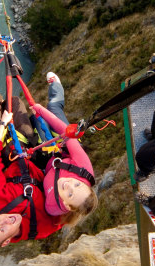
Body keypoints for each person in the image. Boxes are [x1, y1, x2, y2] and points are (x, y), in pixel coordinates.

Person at [0, 79, 62, 249]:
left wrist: (3, 124)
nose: (5, 220)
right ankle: (0, 103)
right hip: (34, 156)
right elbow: (68, 204)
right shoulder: (43, 227)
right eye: (2, 229)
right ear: (6, 242)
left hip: (9, 158)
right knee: (15, 103)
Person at [31, 72, 98, 227]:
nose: (69, 185)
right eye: (77, 185)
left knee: (35, 119)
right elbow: (65, 130)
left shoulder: (53, 206)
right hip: (66, 146)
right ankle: (56, 85)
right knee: (53, 107)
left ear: (67, 206)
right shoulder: (83, 167)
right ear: (84, 183)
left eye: (70, 194)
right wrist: (42, 110)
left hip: (48, 159)